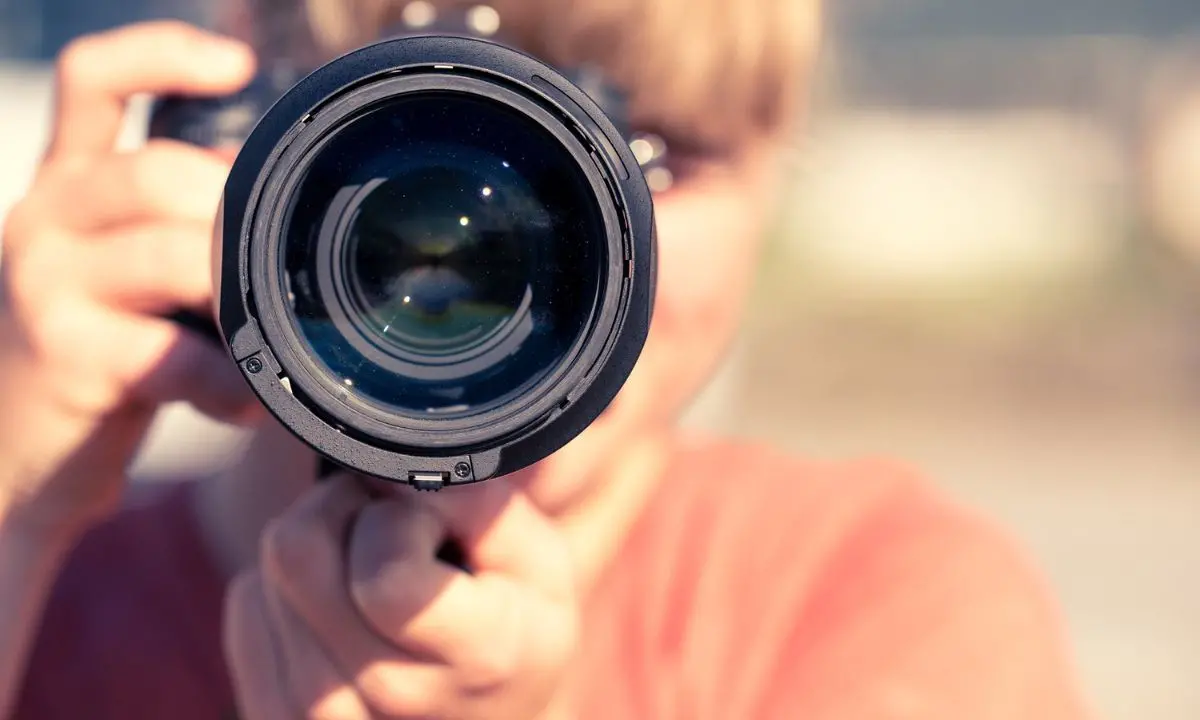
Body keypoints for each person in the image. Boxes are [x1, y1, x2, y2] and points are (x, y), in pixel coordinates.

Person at [0, 1, 1091, 718]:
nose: (556, 235)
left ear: (775, 174)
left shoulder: (878, 598)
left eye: (653, 153)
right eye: (419, 129)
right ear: (230, 154)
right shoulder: (47, 578)